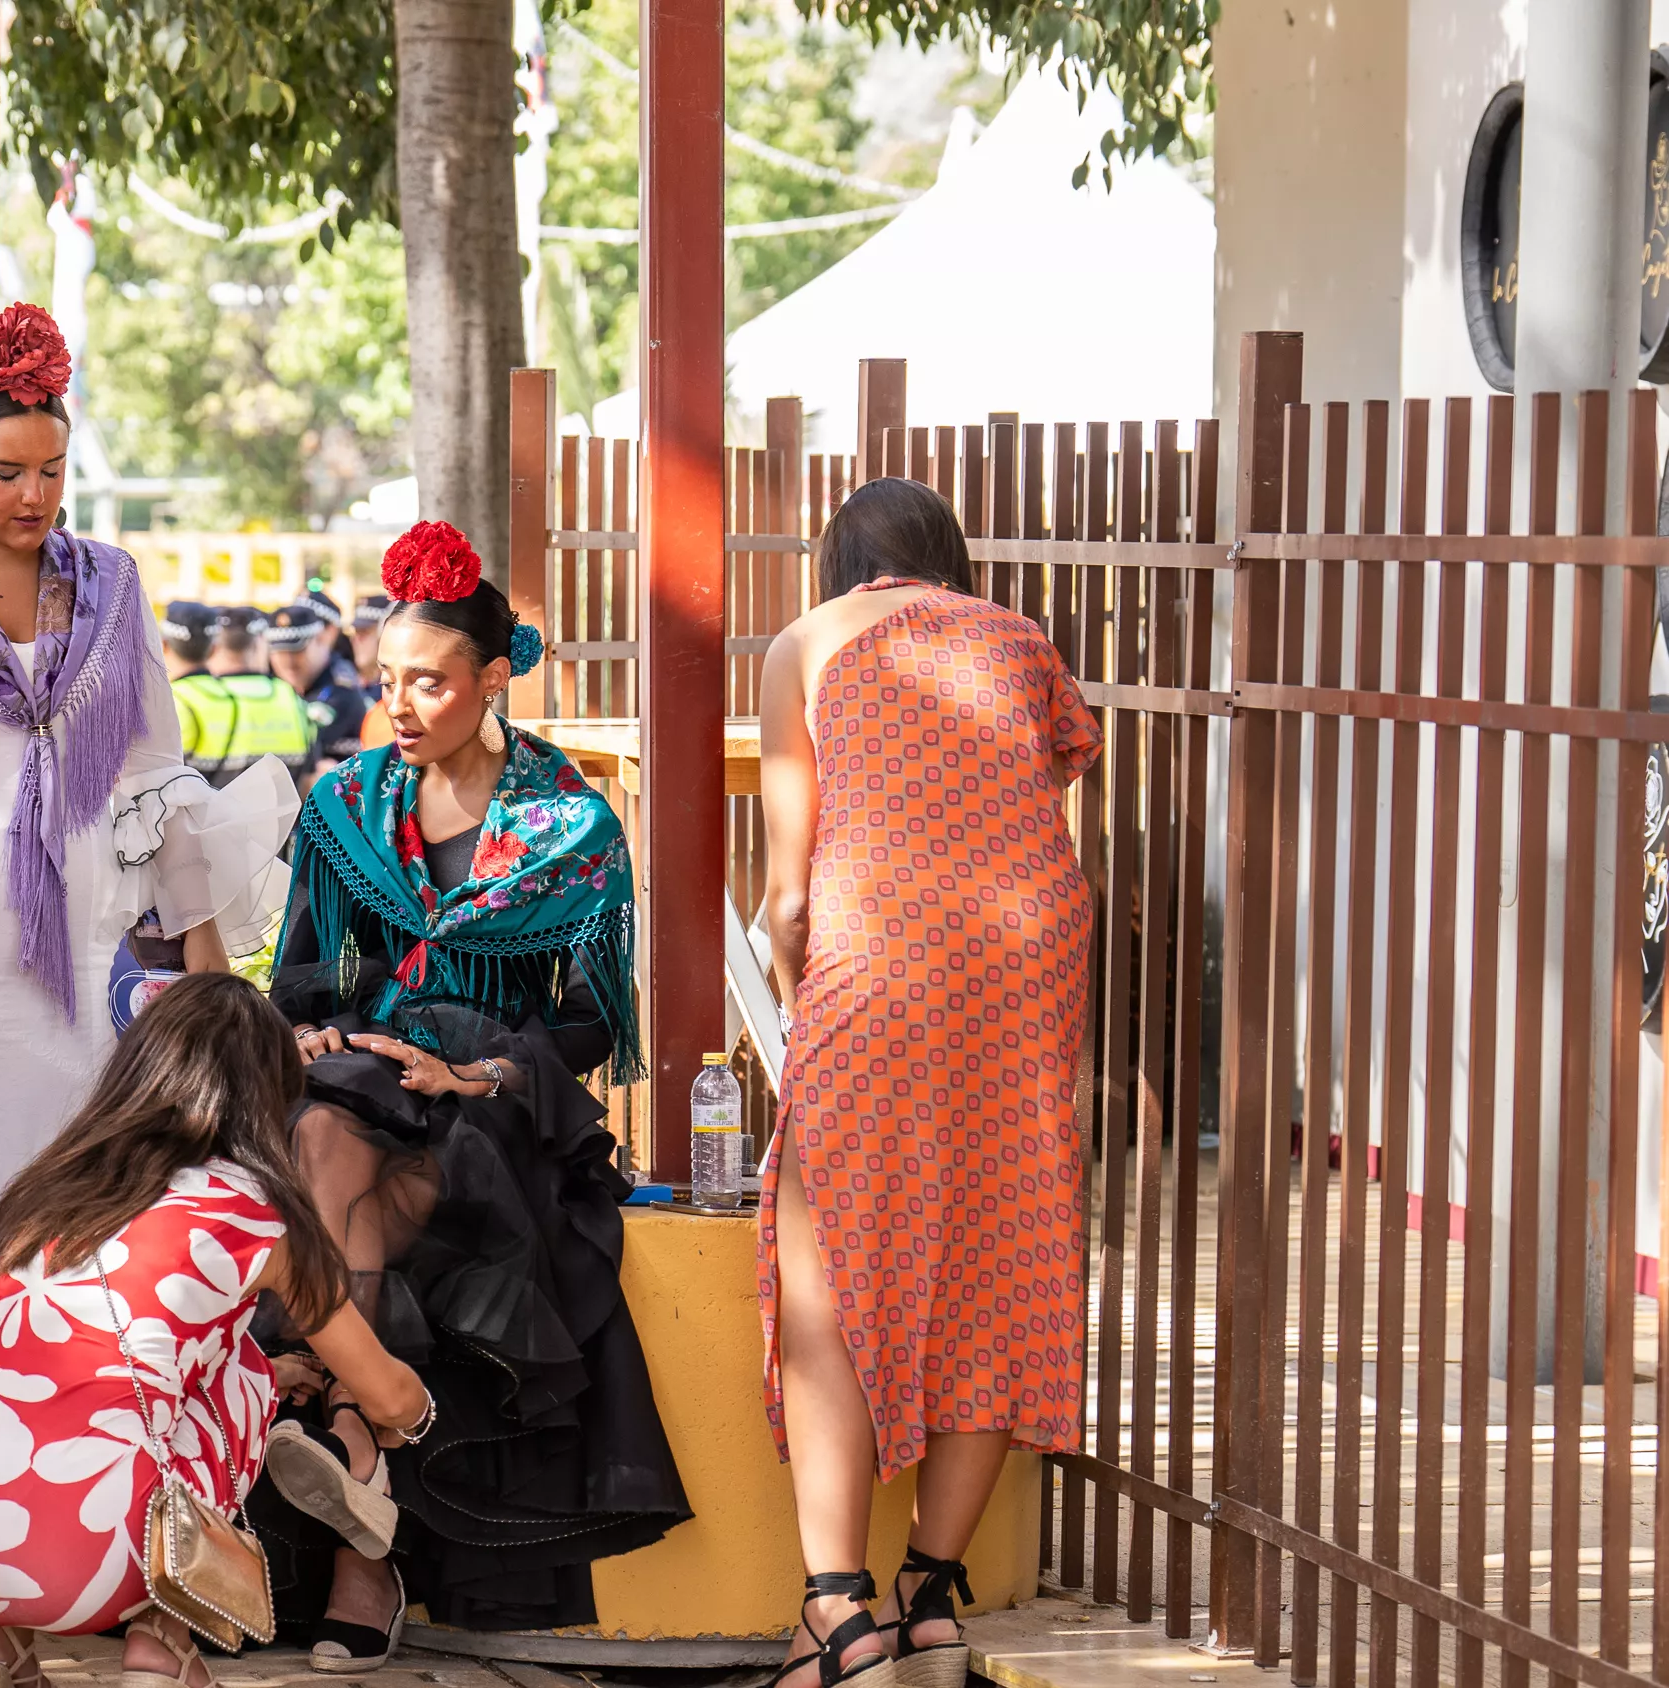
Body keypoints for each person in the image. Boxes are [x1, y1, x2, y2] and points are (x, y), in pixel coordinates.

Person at [0, 303, 294, 1401]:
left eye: (52, 468)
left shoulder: (113, 584)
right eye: (5, 471)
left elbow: (154, 775)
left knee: (81, 1169)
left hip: (81, 949)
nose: (34, 495)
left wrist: (207, 972)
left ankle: (67, 1439)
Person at [263, 520, 686, 1658]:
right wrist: (310, 1030)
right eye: (388, 676)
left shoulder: (574, 825)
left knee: (416, 1169)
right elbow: (303, 973)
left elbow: (592, 1020)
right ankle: (361, 1435)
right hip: (364, 1083)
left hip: (503, 1100)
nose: (398, 705)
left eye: (429, 682)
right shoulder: (344, 803)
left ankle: (358, 1485)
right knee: (319, 1129)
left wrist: (476, 1069)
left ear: (494, 678)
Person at [753, 477, 1098, 1688]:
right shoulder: (1020, 638)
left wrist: (796, 995)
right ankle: (932, 1599)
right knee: (997, 1255)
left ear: (838, 561)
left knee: (830, 1263)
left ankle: (838, 1612)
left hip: (879, 963)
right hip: (1026, 958)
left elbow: (791, 889)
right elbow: (1033, 789)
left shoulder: (807, 642)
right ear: (948, 559)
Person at [0, 973, 433, 1688]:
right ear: (264, 1094)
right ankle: (160, 1641)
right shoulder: (255, 1215)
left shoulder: (49, 1187)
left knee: (36, 1384)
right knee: (238, 1368)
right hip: (98, 1551)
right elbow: (385, 1392)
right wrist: (414, 1418)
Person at [167, 608, 314, 791]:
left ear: (215, 647)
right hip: (285, 819)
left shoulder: (188, 696)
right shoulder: (291, 697)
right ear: (260, 643)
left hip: (209, 818)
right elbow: (310, 779)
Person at [265, 591, 371, 782]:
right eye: (279, 651)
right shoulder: (275, 689)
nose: (288, 661)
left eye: (298, 650)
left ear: (321, 640)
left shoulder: (341, 691)